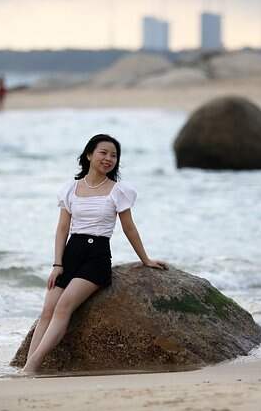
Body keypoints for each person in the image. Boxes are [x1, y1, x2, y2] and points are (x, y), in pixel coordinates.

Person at [22, 134, 167, 373]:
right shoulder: (70, 188)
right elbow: (62, 229)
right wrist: (57, 264)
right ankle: (28, 365)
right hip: (71, 254)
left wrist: (145, 259)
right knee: (47, 310)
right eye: (103, 153)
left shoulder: (118, 191)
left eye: (114, 155)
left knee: (63, 307)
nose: (108, 158)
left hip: (96, 257)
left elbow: (129, 228)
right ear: (89, 154)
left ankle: (31, 367)